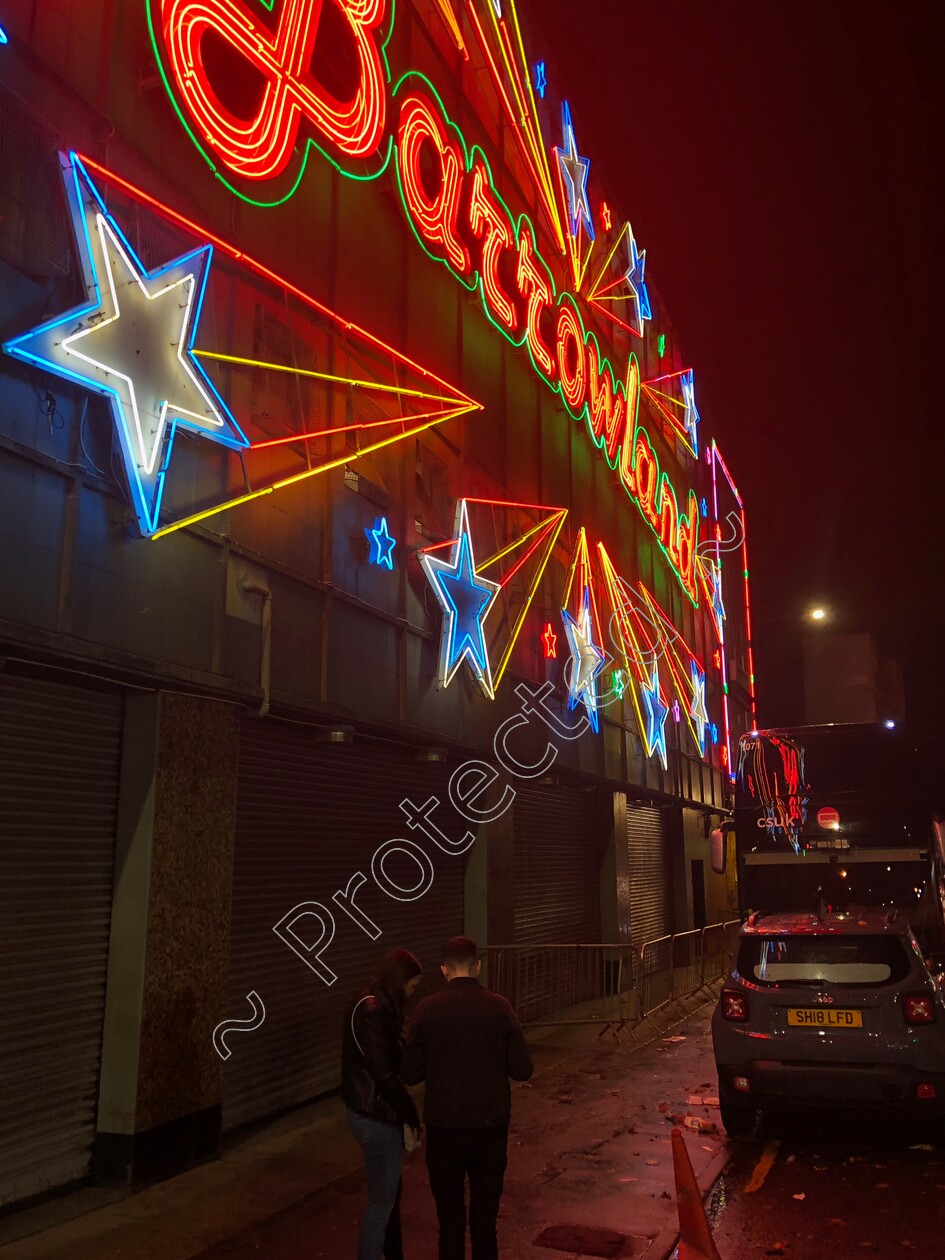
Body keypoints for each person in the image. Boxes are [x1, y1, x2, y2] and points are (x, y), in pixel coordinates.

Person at [402, 935, 533, 1260]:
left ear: (444, 969)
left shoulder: (427, 1009)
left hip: (444, 1127)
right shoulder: (500, 1007)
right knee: (484, 1221)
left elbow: (409, 1072)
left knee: (449, 1219)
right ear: (477, 965)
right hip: (490, 1127)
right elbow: (523, 1069)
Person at [342, 948, 423, 1260]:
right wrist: (411, 1115)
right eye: (412, 986)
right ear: (399, 980)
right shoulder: (372, 1011)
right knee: (381, 1204)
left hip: (368, 1111)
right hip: (375, 1115)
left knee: (387, 1197)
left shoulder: (369, 1003)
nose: (413, 992)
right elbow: (386, 1075)